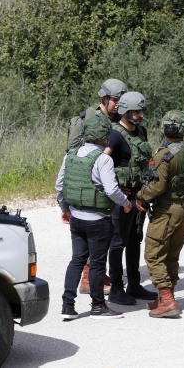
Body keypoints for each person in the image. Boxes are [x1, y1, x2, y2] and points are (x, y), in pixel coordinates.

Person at [56, 114, 130, 320]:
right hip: (98, 219)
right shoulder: (103, 159)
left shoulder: (70, 155)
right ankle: (98, 306)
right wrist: (126, 203)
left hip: (76, 218)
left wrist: (65, 208)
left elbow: (59, 186)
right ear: (105, 135)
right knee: (97, 264)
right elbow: (111, 190)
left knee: (77, 260)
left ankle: (67, 306)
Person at [136, 110, 184, 318]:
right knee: (172, 254)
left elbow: (158, 186)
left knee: (154, 254)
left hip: (166, 210)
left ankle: (167, 300)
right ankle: (166, 296)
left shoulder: (164, 155)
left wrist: (141, 196)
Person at [67, 78, 127, 296]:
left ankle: (97, 273)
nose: (119, 104)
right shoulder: (87, 119)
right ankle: (88, 277)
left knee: (109, 232)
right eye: (116, 100)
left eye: (121, 100)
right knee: (94, 231)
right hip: (91, 181)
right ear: (104, 98)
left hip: (111, 178)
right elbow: (73, 153)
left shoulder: (119, 120)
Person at [104, 91, 157, 305]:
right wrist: (115, 187)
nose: (141, 115)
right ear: (125, 112)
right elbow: (101, 163)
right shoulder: (115, 134)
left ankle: (134, 284)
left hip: (140, 196)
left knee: (135, 240)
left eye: (142, 111)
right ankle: (116, 288)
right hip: (121, 199)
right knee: (118, 243)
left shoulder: (141, 131)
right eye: (136, 112)